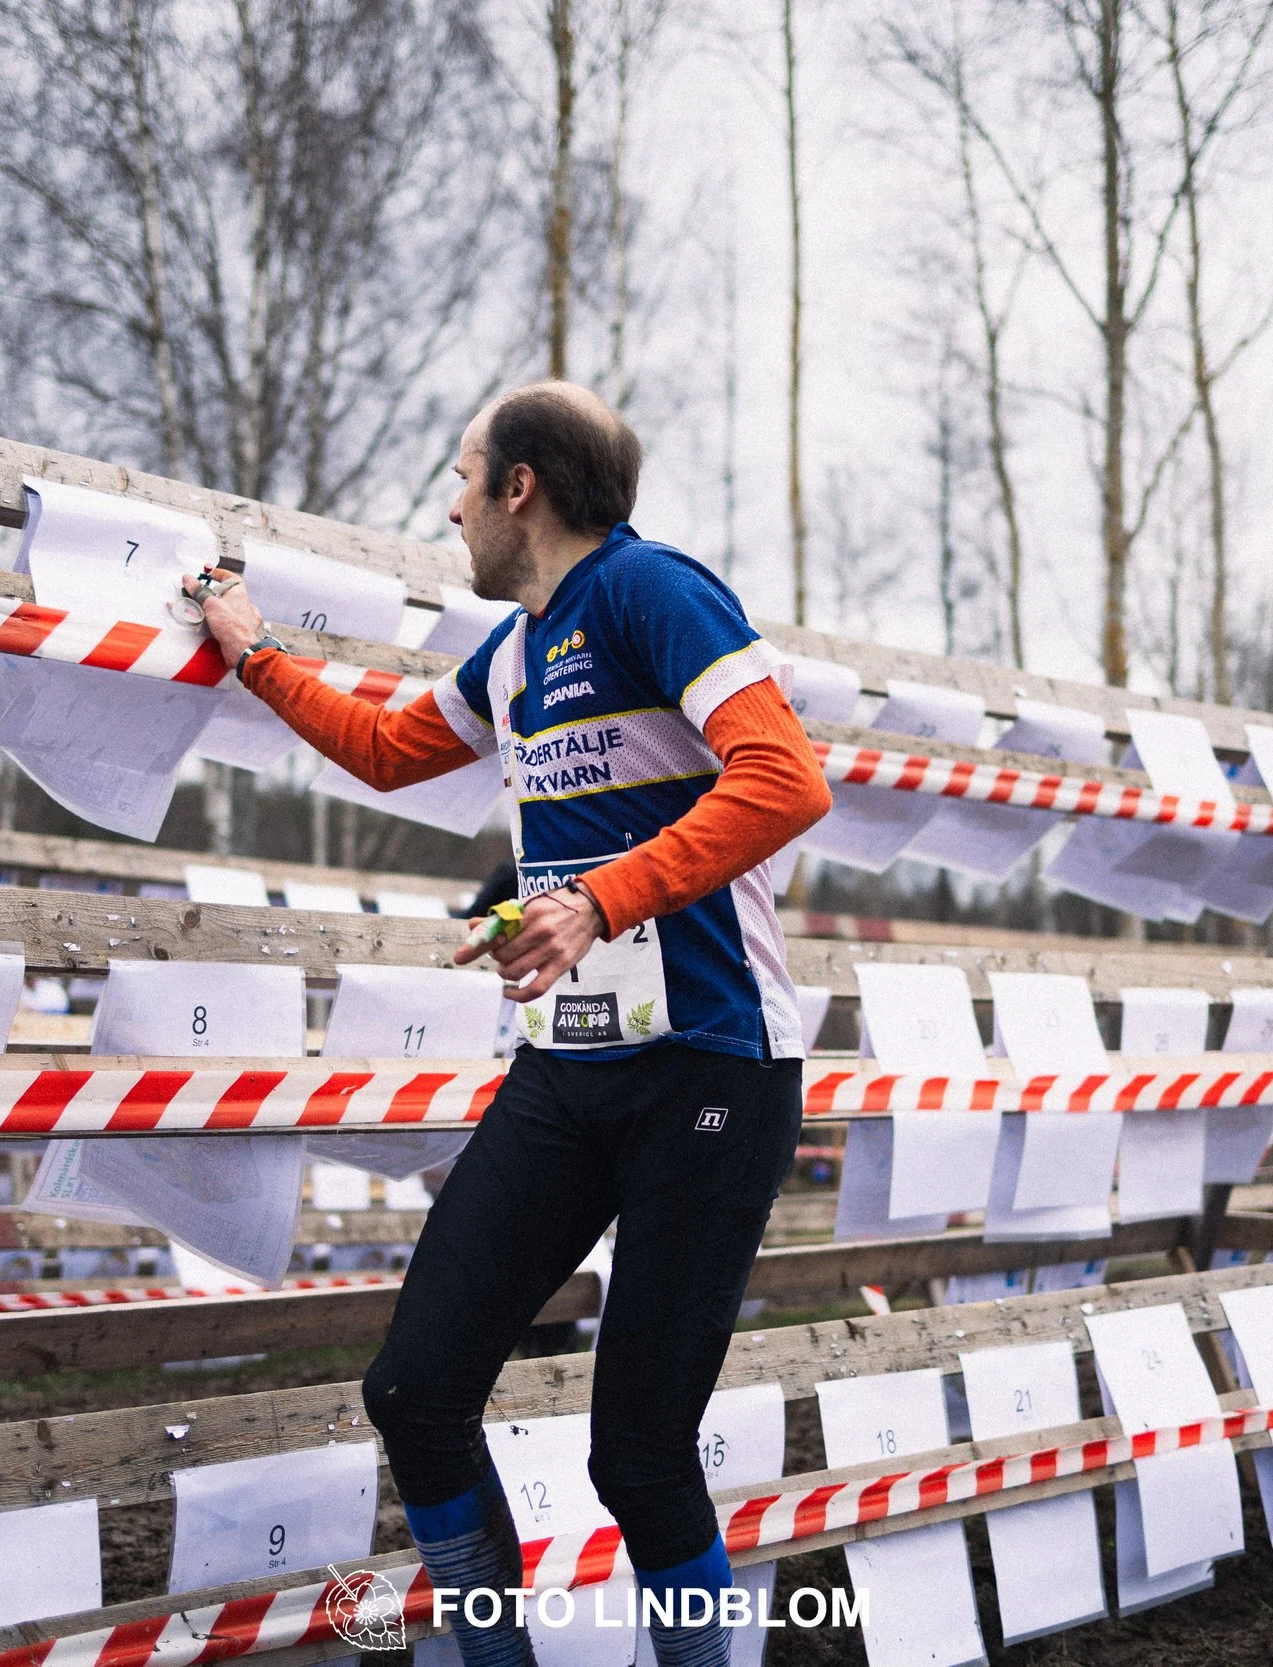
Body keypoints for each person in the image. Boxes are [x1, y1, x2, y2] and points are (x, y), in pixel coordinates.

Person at [189, 381, 830, 1667]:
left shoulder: (654, 594)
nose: (449, 502)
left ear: (520, 486)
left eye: (462, 473)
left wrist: (596, 899)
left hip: (712, 1073)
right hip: (571, 1075)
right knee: (414, 1391)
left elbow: (785, 779)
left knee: (636, 1456)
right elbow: (380, 748)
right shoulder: (516, 650)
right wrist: (251, 649)